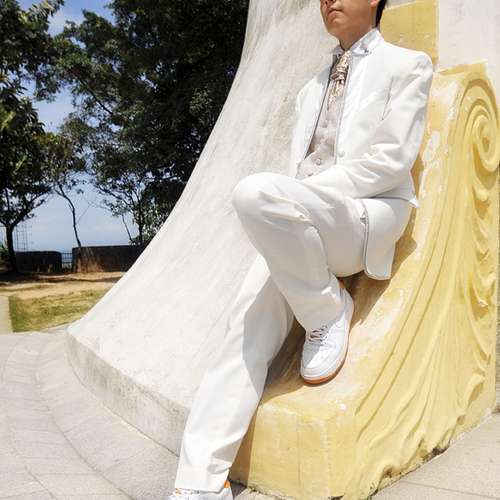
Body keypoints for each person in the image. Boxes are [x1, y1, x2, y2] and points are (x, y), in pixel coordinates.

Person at [168, 0, 433, 498]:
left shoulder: (407, 65)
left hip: (362, 215)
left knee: (254, 193)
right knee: (243, 328)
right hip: (302, 218)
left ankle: (327, 310)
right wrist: (296, 201)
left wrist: (302, 195)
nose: (328, 1)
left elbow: (391, 161)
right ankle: (198, 484)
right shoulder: (310, 87)